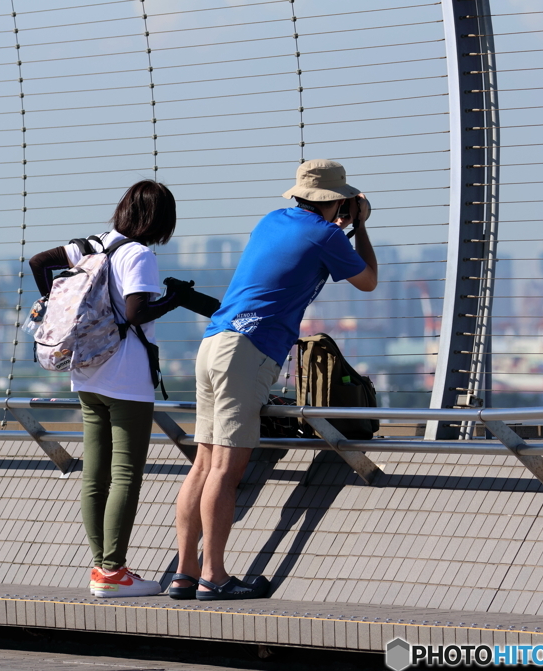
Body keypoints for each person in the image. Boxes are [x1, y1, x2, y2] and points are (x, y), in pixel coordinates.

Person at [171, 159, 378, 601]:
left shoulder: (272, 220)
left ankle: (184, 574)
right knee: (226, 470)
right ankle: (215, 577)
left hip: (213, 343)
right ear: (337, 199)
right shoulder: (326, 235)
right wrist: (359, 226)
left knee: (203, 464)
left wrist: (341, 222)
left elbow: (295, 252)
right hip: (247, 351)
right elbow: (368, 281)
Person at [29, 180, 192, 598]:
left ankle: (102, 569)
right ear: (160, 219)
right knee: (125, 474)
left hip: (86, 371)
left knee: (95, 474)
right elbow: (138, 313)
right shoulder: (138, 254)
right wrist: (175, 298)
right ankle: (114, 572)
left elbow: (38, 261)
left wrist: (58, 303)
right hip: (126, 377)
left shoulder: (93, 244)